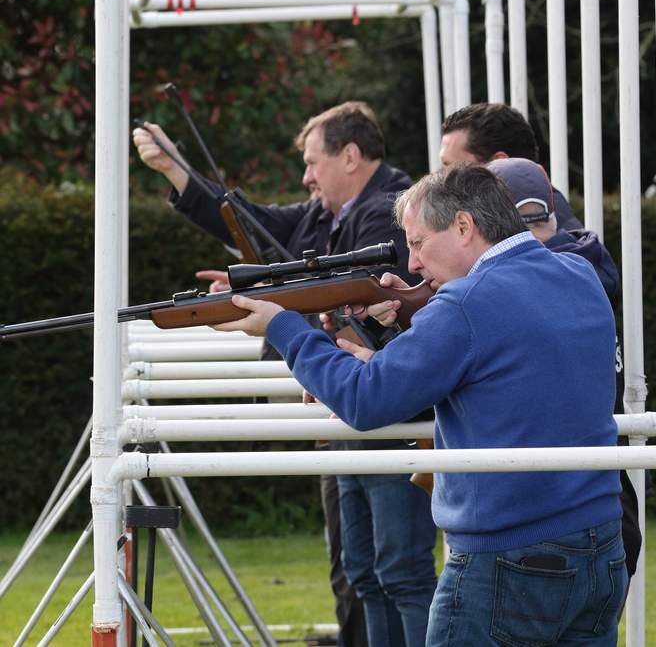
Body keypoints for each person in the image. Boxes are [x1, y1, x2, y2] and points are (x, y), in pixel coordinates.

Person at [216, 163, 627, 646]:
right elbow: (509, 355)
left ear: (464, 226)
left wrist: (283, 328)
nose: (411, 263)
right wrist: (417, 313)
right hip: (601, 543)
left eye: (417, 242)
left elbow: (363, 399)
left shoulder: (463, 306)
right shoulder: (577, 272)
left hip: (505, 555)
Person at [134, 102, 437, 647]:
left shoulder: (391, 211)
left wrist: (279, 309)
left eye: (312, 162)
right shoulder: (326, 216)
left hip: (387, 408)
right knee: (361, 572)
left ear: (350, 156)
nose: (306, 176)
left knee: (400, 572)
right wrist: (178, 172)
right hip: (342, 407)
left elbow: (359, 289)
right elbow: (252, 222)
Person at [439, 102, 584, 231]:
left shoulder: (545, 247)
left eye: (451, 168)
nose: (442, 181)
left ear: (500, 163)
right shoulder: (554, 235)